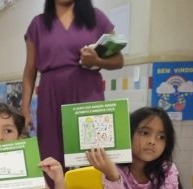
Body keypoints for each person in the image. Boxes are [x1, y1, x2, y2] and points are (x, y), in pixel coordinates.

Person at [21, 0, 123, 171]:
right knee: (50, 154)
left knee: (92, 155)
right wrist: (25, 108)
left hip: (87, 91)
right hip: (50, 95)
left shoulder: (96, 18)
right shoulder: (38, 24)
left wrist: (96, 60)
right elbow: (29, 70)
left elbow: (119, 60)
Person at [87, 107, 182, 189]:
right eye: (145, 133)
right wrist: (112, 176)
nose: (152, 141)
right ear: (129, 133)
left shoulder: (166, 168)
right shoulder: (115, 167)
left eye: (161, 137)